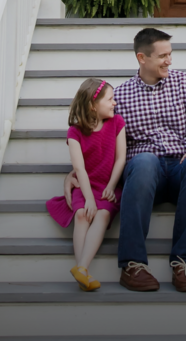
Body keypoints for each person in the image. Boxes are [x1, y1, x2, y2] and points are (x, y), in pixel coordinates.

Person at [66, 28, 186, 293]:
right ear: (141, 58)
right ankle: (133, 265)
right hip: (145, 174)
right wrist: (75, 172)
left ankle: (183, 263)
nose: (169, 60)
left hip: (182, 165)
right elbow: (95, 138)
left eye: (170, 54)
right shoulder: (119, 97)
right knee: (144, 160)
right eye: (162, 56)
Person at [45, 78, 126, 292]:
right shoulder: (75, 132)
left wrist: (111, 186)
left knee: (102, 214)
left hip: (108, 185)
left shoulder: (117, 122)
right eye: (110, 99)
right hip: (86, 184)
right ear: (93, 104)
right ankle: (83, 273)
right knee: (81, 214)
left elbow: (121, 159)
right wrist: (89, 197)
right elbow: (79, 169)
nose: (114, 103)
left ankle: (81, 268)